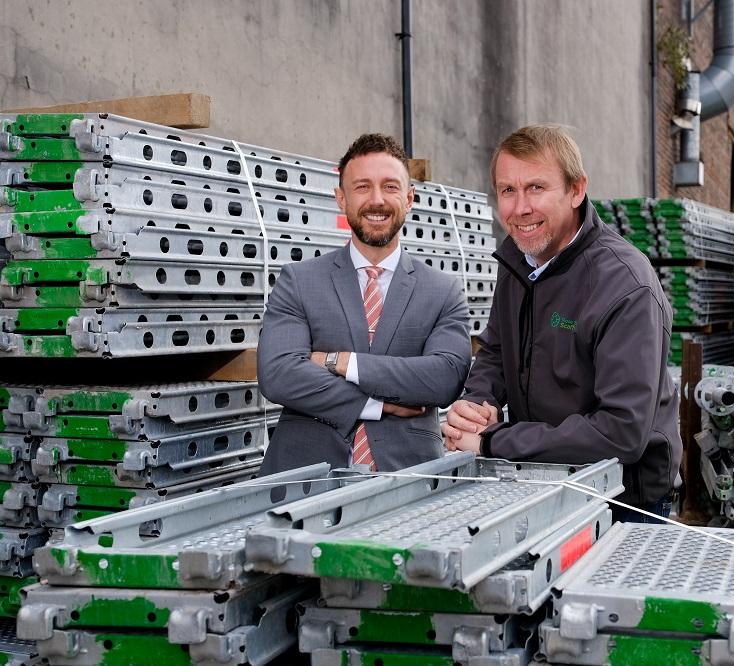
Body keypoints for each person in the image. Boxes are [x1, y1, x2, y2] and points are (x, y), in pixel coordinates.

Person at [442, 124, 681, 522]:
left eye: (536, 187)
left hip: (621, 501)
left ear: (576, 190)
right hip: (538, 480)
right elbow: (498, 350)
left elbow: (620, 432)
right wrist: (477, 404)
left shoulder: (625, 285)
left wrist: (493, 441)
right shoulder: (519, 261)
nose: (520, 208)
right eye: (507, 190)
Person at [258, 133, 471, 474]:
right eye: (362, 187)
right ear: (341, 199)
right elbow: (279, 374)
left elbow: (443, 379)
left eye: (390, 187)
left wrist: (341, 362)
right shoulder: (299, 281)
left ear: (410, 198)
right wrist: (376, 404)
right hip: (302, 477)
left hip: (409, 475)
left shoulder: (443, 291)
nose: (376, 200)